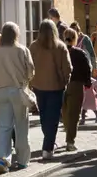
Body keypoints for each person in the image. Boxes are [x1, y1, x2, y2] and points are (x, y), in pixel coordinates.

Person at [0, 22, 36, 171]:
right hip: (18, 91)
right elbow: (31, 71)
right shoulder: (22, 50)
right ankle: (22, 160)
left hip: (1, 91)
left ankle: (2, 159)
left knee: (4, 127)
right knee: (21, 126)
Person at [29, 19, 72, 159]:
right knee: (53, 118)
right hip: (56, 86)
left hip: (38, 86)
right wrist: (65, 80)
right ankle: (48, 148)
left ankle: (48, 142)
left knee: (44, 116)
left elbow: (29, 66)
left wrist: (31, 82)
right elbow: (67, 68)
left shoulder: (34, 46)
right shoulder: (60, 46)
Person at [62, 27, 93, 152]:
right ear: (75, 39)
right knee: (74, 114)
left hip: (60, 85)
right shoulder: (79, 53)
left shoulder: (59, 52)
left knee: (65, 112)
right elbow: (87, 68)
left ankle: (67, 133)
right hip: (76, 84)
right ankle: (70, 141)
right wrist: (88, 82)